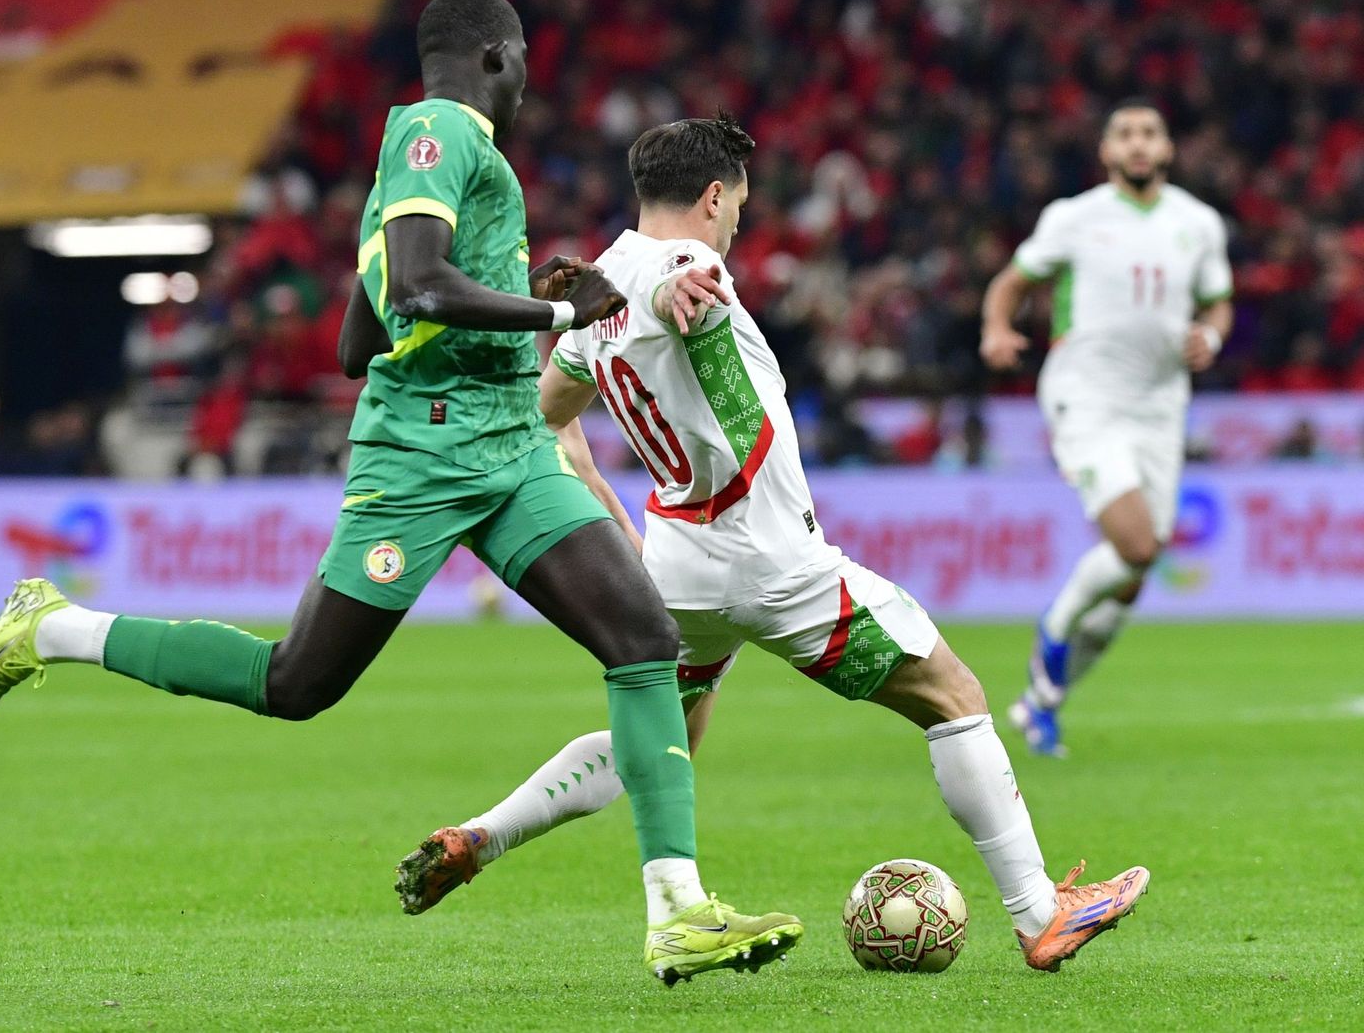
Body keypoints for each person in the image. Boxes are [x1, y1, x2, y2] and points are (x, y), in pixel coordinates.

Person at [0, 0, 799, 986]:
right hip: (425, 458)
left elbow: (362, 338)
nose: (526, 77)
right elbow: (418, 288)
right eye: (521, 57)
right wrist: (561, 316)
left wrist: (529, 300)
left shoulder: (423, 165)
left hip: (506, 445)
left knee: (643, 640)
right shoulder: (440, 131)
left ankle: (677, 914)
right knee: (296, 683)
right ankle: (53, 627)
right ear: (493, 56)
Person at [395, 114, 1149, 973]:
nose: (738, 222)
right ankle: (1040, 912)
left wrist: (609, 507)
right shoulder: (689, 269)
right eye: (739, 205)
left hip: (677, 559)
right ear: (714, 196)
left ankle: (483, 837)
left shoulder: (593, 290)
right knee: (954, 694)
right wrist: (678, 297)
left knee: (660, 735)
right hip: (769, 557)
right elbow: (686, 283)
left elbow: (545, 419)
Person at [980, 99, 1234, 757]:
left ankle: (1041, 704)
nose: (1139, 143)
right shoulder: (1075, 218)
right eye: (1125, 134)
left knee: (1130, 579)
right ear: (1107, 151)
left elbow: (1219, 302)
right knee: (1138, 544)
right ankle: (1052, 636)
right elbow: (1011, 282)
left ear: (1168, 147)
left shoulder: (1198, 223)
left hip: (1160, 406)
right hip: (1086, 396)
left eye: (1151, 132)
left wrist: (1210, 332)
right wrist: (997, 327)